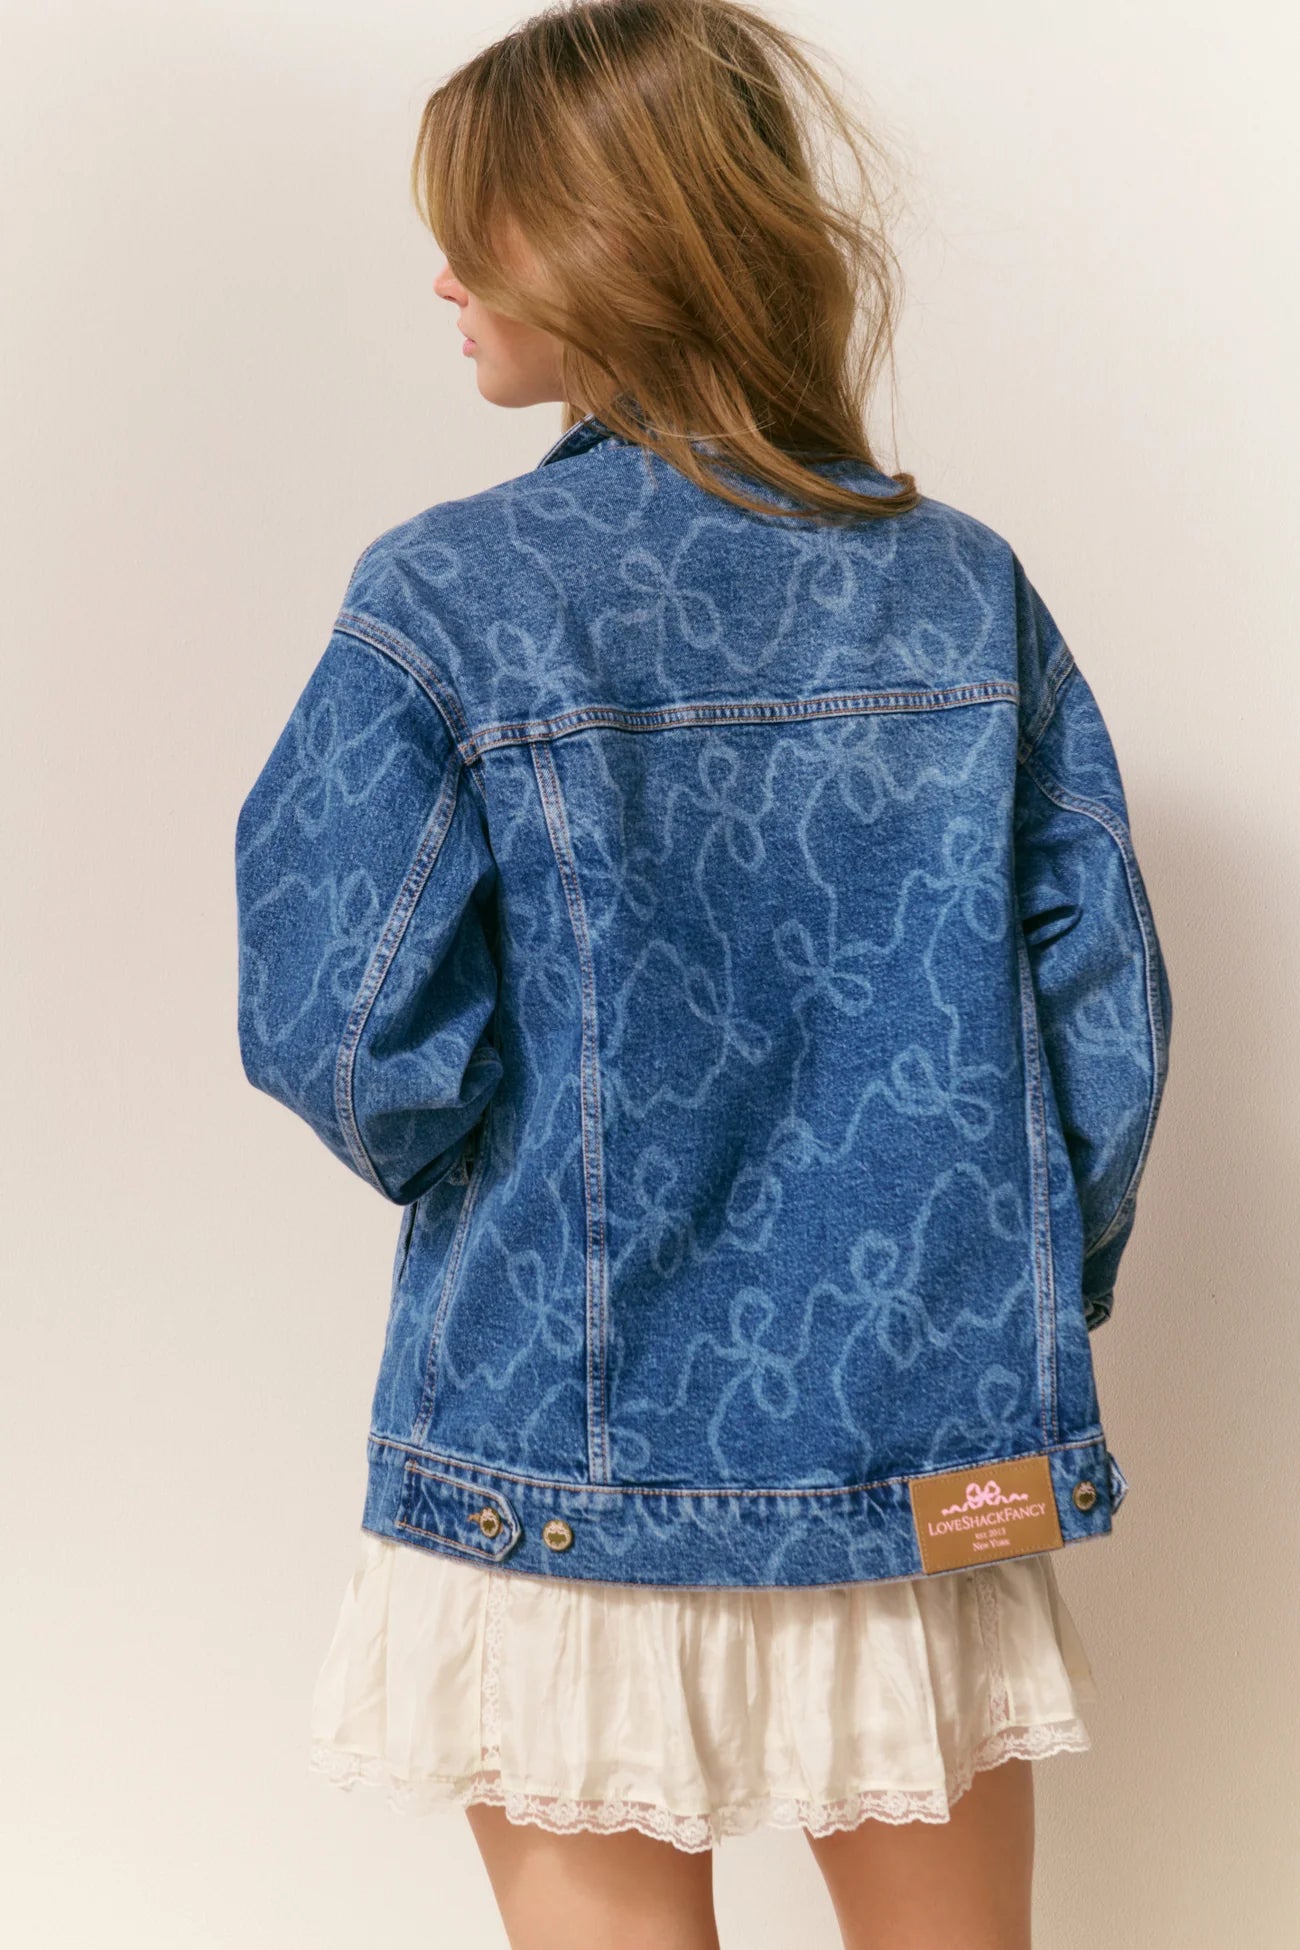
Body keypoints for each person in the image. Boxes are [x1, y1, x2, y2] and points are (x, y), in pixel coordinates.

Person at [233, 3, 1173, 1945]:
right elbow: (1104, 1031)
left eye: (479, 228)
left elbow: (345, 1026)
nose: (444, 278)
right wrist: (992, 1301)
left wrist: (498, 1182)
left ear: (611, 239)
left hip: (553, 1458)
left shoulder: (445, 596)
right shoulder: (961, 587)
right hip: (917, 1447)